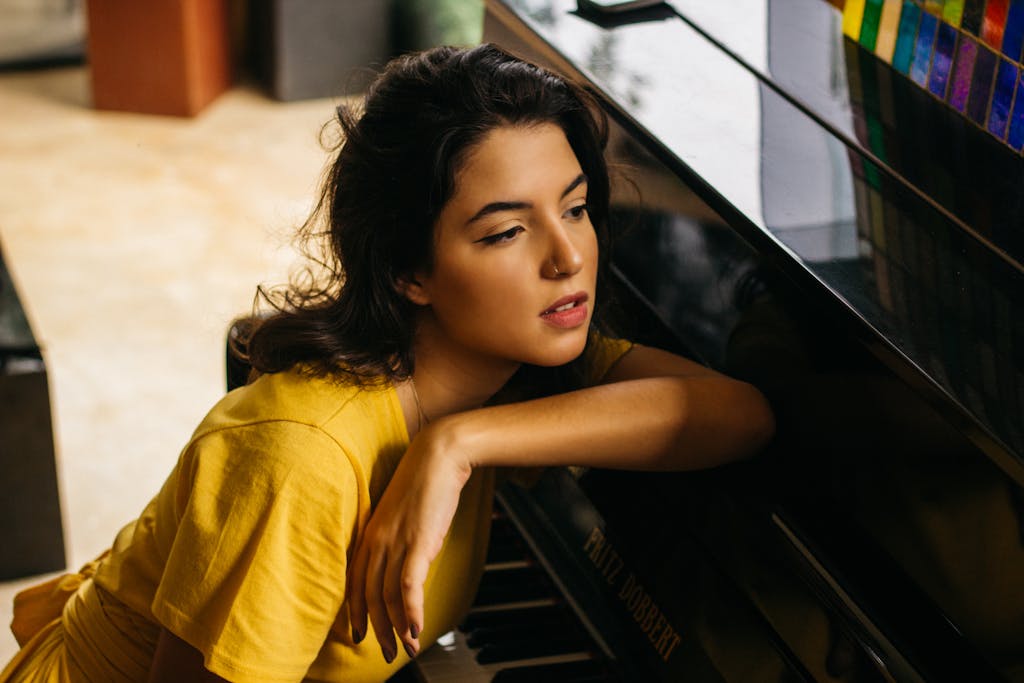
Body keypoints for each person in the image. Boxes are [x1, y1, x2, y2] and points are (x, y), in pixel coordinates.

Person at [1, 44, 774, 682]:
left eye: (574, 208)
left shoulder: (500, 367)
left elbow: (739, 415)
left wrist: (462, 443)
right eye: (507, 232)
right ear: (410, 270)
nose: (569, 256)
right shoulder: (301, 454)